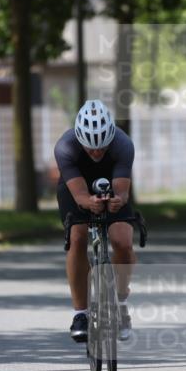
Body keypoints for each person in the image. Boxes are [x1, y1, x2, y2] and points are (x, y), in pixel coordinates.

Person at [55, 100, 137, 343]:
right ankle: (80, 314)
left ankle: (120, 304)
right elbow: (79, 195)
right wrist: (87, 201)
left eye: (101, 148)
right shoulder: (65, 147)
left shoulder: (123, 145)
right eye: (90, 149)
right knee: (77, 237)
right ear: (80, 139)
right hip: (75, 186)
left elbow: (122, 191)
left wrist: (117, 201)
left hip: (111, 182)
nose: (96, 153)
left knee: (122, 240)